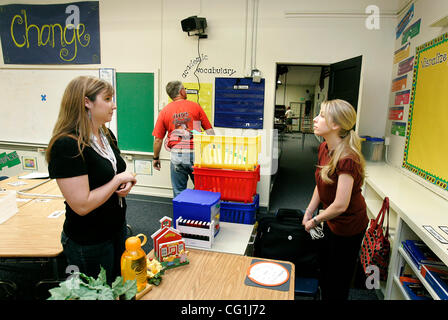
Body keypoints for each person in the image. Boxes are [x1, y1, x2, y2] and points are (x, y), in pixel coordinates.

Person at [46, 76, 137, 284]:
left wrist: (127, 182)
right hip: (89, 240)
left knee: (118, 286)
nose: (113, 105)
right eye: (107, 99)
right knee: (96, 293)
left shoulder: (106, 134)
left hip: (116, 228)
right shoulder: (67, 145)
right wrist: (117, 181)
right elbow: (82, 205)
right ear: (87, 102)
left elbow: (115, 171)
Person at [302, 99, 368, 300]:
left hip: (349, 225)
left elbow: (340, 205)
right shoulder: (324, 147)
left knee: (338, 279)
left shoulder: (346, 158)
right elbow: (322, 182)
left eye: (321, 115)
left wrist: (314, 221)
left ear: (336, 125)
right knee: (325, 267)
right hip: (330, 220)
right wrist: (309, 210)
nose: (315, 119)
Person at [152, 81, 214, 198]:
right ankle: (199, 213)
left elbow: (158, 140)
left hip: (177, 155)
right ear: (181, 91)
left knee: (179, 192)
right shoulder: (195, 107)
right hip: (196, 154)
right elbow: (210, 132)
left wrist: (156, 158)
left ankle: (181, 214)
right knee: (203, 189)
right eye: (184, 89)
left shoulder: (165, 111)